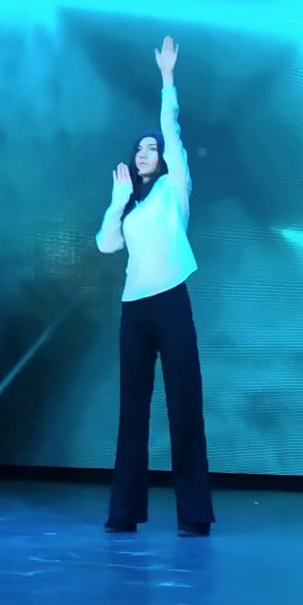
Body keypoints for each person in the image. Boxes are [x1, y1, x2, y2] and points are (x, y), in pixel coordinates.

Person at [95, 35, 214, 537]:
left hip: (171, 303)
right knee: (132, 410)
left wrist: (167, 79)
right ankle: (124, 512)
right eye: (139, 149)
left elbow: (171, 128)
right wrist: (116, 199)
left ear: (164, 159)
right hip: (135, 311)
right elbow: (106, 244)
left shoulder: (174, 188)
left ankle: (194, 515)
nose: (145, 153)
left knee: (184, 404)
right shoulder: (132, 205)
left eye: (152, 149)